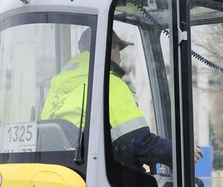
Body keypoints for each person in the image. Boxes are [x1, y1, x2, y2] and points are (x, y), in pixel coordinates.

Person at [41, 29, 202, 171]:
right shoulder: (108, 83)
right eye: (119, 51)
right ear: (109, 49)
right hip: (104, 175)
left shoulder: (56, 88)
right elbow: (137, 143)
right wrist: (180, 151)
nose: (120, 58)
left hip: (71, 173)